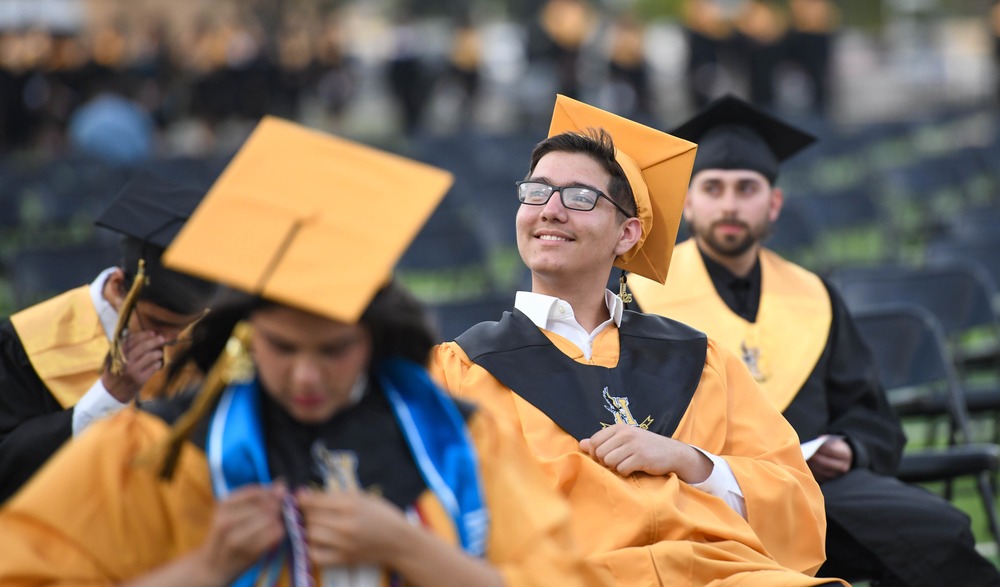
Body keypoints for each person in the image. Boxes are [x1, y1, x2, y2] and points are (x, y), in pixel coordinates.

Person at [0, 116, 608, 587]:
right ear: (245, 333)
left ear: (371, 338)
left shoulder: (460, 441)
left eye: (334, 349)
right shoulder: (160, 450)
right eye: (282, 347)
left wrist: (411, 549)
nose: (306, 375)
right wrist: (207, 567)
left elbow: (560, 576)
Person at [431, 94, 843, 586]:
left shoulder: (700, 361)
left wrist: (690, 461)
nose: (550, 210)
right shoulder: (463, 371)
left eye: (580, 197)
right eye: (536, 192)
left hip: (722, 573)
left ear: (627, 234)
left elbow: (797, 500)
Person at [628, 94, 1000, 587]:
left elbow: (870, 415)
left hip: (813, 491)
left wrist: (851, 448)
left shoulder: (815, 296)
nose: (730, 204)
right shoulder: (640, 297)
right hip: (698, 489)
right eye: (713, 188)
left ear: (774, 204)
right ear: (689, 204)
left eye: (747, 188)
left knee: (938, 534)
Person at [0, 171, 218, 503]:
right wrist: (107, 397)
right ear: (117, 287)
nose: (170, 339)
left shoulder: (208, 341)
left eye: (184, 326)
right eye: (157, 322)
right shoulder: (25, 344)